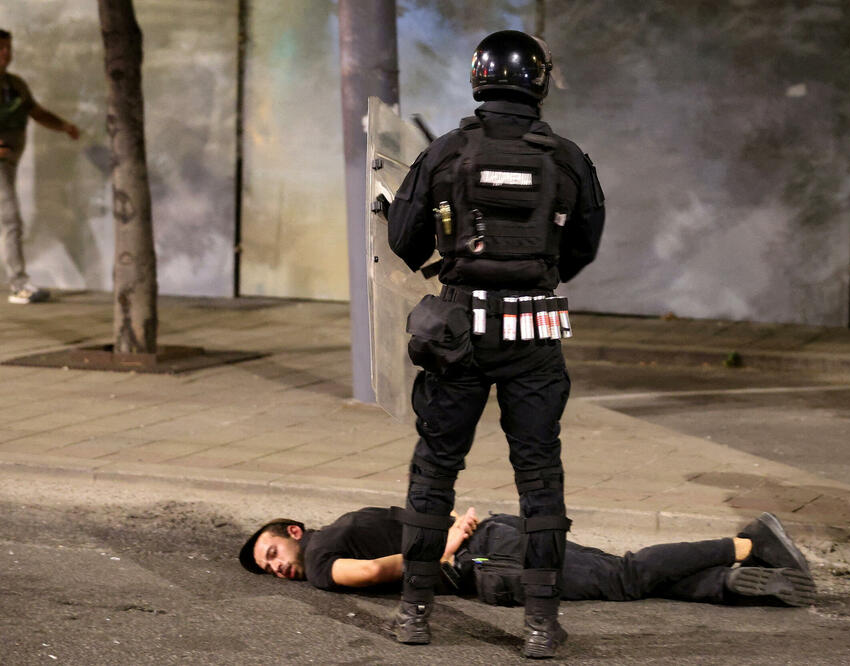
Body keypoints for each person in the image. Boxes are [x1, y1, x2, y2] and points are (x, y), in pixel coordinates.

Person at [384, 30, 606, 657]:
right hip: (534, 332)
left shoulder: (446, 152)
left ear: (479, 79)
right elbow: (583, 249)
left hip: (458, 331)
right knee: (539, 476)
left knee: (435, 471)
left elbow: (404, 241)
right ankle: (539, 625)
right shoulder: (567, 158)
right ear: (538, 81)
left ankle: (413, 614)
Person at [238, 507, 816, 623]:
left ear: (293, 532)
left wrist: (440, 553)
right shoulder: (347, 522)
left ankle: (747, 545)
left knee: (623, 575)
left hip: (488, 557)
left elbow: (366, 575)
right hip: (493, 540)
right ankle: (729, 586)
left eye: (271, 554)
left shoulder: (319, 557)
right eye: (267, 570)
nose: (275, 568)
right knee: (618, 580)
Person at [0, 28, 80, 304]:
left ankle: (19, 283)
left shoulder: (15, 83)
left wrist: (63, 126)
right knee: (11, 220)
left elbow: (36, 111)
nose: (4, 53)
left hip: (9, 161)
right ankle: (19, 285)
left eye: (7, 48)